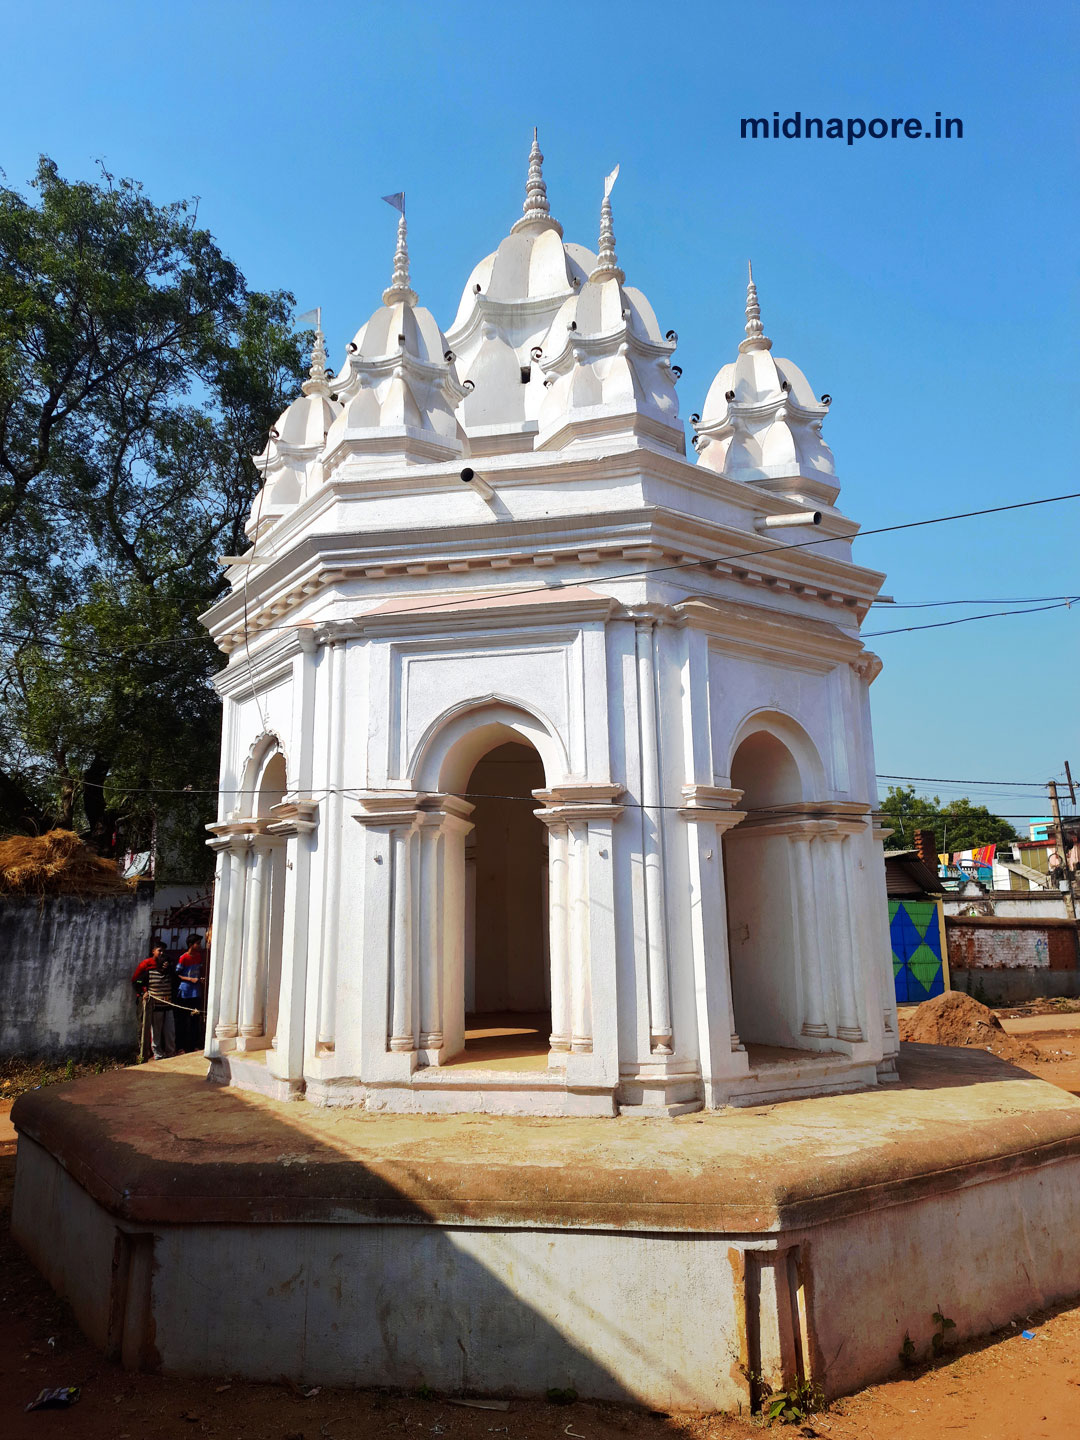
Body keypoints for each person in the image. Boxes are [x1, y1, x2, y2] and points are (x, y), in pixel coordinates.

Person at [132, 943, 177, 1060]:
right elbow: (137, 982)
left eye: (167, 962)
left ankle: (171, 1053)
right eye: (163, 962)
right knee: (155, 1032)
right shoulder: (149, 970)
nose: (165, 964)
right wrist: (143, 993)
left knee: (170, 1032)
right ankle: (156, 1054)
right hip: (156, 1007)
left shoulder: (170, 974)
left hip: (168, 1006)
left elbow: (176, 981)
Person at [175, 934, 206, 1052]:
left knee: (195, 1019)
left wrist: (200, 979)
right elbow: (177, 974)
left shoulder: (198, 956)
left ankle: (193, 1045)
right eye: (197, 943)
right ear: (191, 945)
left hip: (196, 992)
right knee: (182, 1020)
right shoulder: (183, 958)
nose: (199, 945)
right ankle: (181, 1046)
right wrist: (190, 979)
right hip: (185, 992)